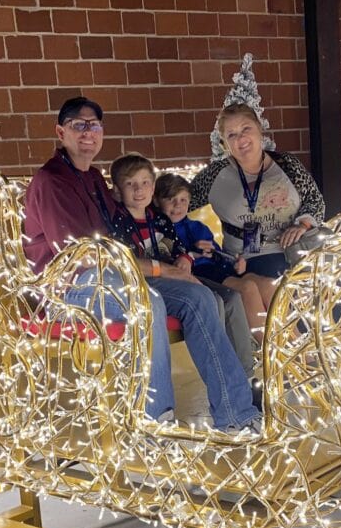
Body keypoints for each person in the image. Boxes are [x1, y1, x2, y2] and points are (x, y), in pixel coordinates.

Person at [23, 96, 260, 433]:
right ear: (61, 132)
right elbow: (86, 256)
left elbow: (124, 237)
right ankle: (155, 423)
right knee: (147, 303)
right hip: (70, 287)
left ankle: (237, 415)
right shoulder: (52, 182)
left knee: (201, 298)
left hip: (114, 276)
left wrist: (173, 258)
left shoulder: (92, 179)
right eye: (79, 125)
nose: (88, 133)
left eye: (94, 125)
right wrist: (162, 271)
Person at [107, 154, 256, 377]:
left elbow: (179, 251)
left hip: (178, 275)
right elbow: (127, 262)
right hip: (154, 282)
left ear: (152, 187)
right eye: (130, 184)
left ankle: (245, 373)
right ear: (117, 190)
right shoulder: (118, 223)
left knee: (232, 297)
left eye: (145, 183)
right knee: (211, 299)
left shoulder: (159, 220)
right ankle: (222, 374)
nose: (139, 190)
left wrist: (186, 258)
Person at [189, 102, 326, 308]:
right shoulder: (214, 175)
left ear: (259, 129)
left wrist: (303, 224)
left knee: (331, 282)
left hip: (296, 250)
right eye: (232, 135)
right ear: (224, 143)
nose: (241, 139)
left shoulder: (287, 164)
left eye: (246, 129)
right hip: (248, 259)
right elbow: (177, 203)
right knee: (284, 287)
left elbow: (315, 200)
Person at [155, 172, 266, 343]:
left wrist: (234, 262)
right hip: (201, 272)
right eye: (171, 199)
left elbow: (217, 253)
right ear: (157, 201)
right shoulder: (160, 229)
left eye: (183, 200)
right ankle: (265, 343)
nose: (178, 205)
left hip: (220, 268)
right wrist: (193, 252)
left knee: (258, 283)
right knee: (247, 287)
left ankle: (263, 341)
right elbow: (169, 256)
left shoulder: (197, 226)